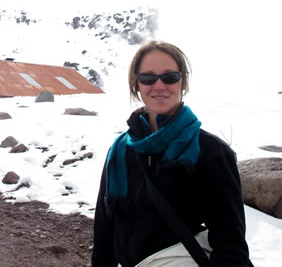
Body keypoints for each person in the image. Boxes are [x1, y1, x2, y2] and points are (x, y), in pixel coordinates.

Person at [91, 40, 251, 266]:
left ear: (182, 82)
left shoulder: (210, 152)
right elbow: (105, 228)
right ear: (136, 84)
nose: (159, 85)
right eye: (148, 78)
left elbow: (230, 241)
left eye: (169, 77)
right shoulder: (120, 151)